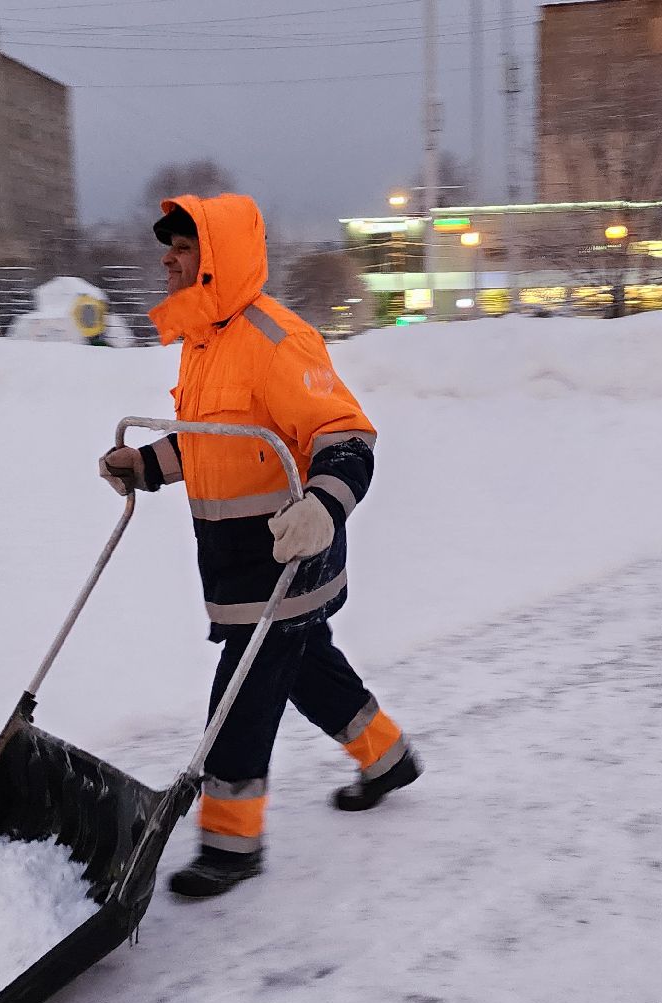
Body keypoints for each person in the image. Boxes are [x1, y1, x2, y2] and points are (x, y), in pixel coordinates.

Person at [97, 193, 421, 899]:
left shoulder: (277, 340)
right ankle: (387, 756)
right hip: (234, 557)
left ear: (213, 261)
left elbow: (347, 438)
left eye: (181, 248)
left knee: (241, 695)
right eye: (169, 247)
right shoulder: (205, 345)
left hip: (288, 556)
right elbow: (211, 442)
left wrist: (322, 510)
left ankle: (231, 839)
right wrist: (147, 466)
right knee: (306, 670)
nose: (168, 259)